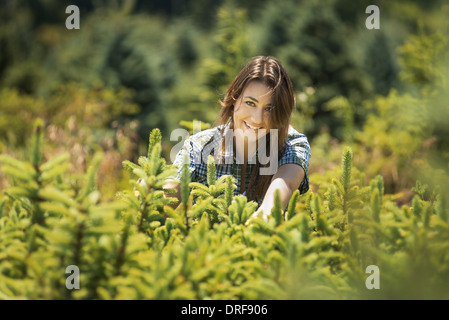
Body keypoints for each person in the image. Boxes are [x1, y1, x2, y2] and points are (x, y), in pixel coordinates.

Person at [165, 56, 311, 221]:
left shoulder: (292, 144)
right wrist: (147, 192)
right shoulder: (200, 146)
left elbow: (285, 184)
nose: (257, 119)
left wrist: (264, 215)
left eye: (269, 109)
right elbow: (170, 191)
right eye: (250, 103)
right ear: (234, 98)